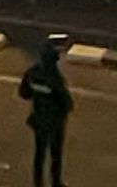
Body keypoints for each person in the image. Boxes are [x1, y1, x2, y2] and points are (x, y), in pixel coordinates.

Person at [19, 34, 73, 187]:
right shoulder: (54, 78)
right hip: (55, 121)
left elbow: (24, 93)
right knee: (56, 153)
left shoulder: (32, 74)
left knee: (39, 154)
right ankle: (56, 181)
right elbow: (66, 102)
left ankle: (38, 183)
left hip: (39, 118)